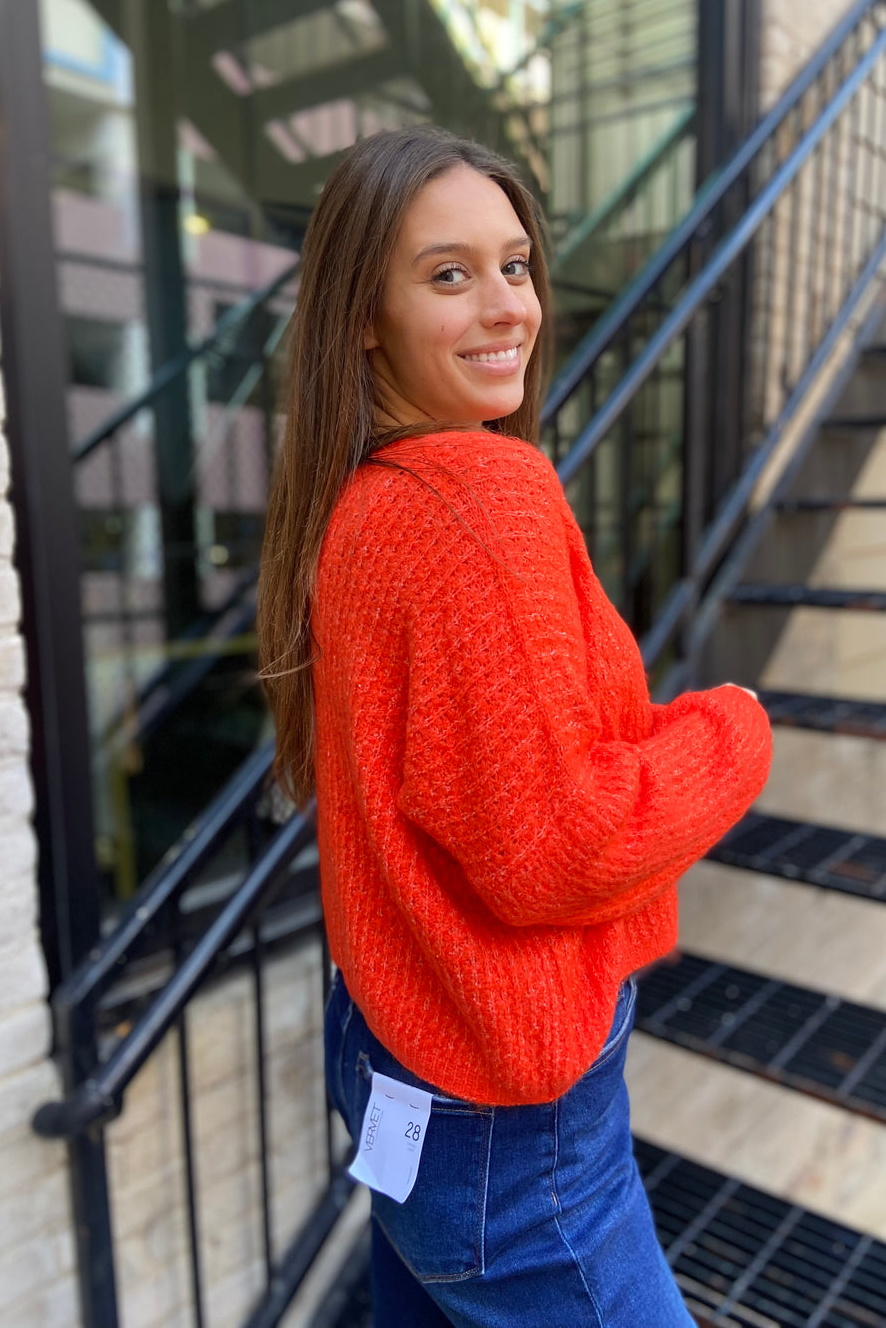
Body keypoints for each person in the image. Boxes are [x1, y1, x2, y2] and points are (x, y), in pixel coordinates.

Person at [257, 125, 772, 1328]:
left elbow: (486, 792)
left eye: (516, 265)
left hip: (397, 1053)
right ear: (365, 315)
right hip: (506, 1123)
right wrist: (734, 729)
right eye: (449, 274)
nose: (507, 308)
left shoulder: (366, 499)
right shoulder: (479, 499)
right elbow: (559, 843)